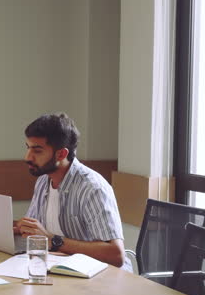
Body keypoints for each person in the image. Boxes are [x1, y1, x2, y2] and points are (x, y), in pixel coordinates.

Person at [15, 113, 126, 267]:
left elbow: (115, 255)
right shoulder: (43, 180)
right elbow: (36, 233)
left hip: (99, 278)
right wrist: (11, 229)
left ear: (61, 154)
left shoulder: (92, 188)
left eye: (37, 150)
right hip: (60, 270)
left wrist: (53, 240)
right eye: (28, 148)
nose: (27, 157)